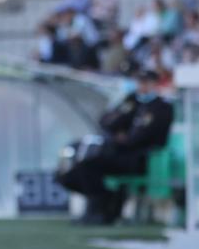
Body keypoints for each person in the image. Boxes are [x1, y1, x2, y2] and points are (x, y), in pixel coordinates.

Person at [57, 70, 174, 225]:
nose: (141, 86)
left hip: (141, 158)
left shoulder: (160, 107)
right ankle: (104, 202)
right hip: (121, 153)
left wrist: (123, 137)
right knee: (76, 169)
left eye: (146, 82)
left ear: (154, 84)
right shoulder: (132, 101)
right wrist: (121, 133)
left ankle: (98, 210)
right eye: (140, 82)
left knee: (89, 167)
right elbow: (106, 122)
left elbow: (139, 137)